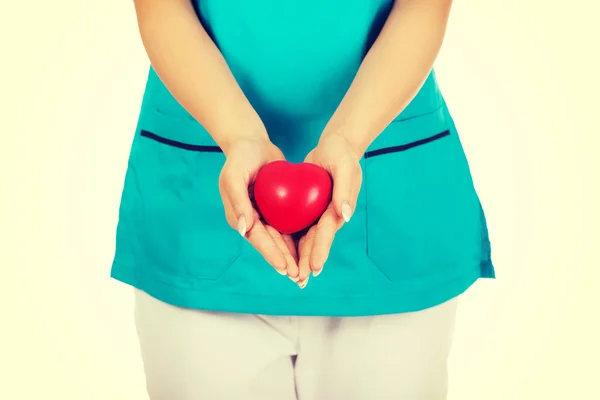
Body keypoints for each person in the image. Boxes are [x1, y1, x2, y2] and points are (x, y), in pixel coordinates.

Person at [111, 0, 495, 398]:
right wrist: (239, 136)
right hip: (196, 210)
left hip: (391, 210)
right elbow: (161, 8)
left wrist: (348, 139)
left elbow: (423, 8)